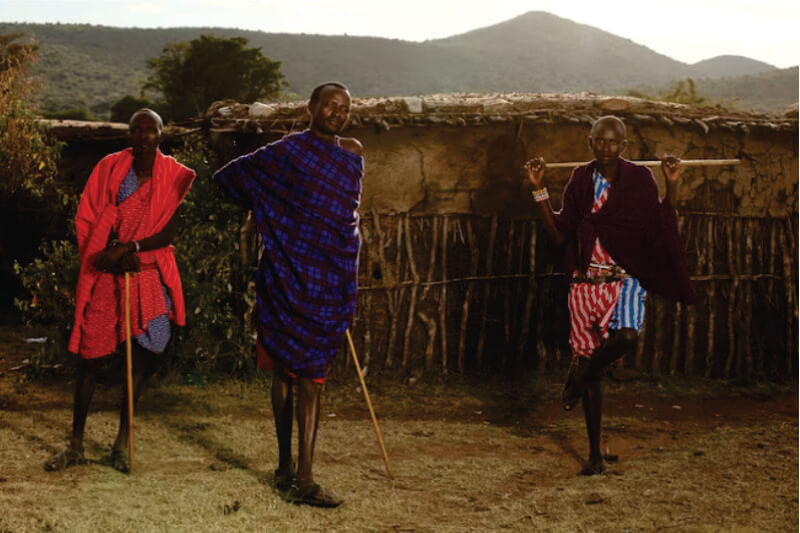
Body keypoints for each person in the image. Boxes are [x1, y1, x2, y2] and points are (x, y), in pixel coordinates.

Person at [213, 82, 363, 507]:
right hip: (285, 275)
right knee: (283, 372)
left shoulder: (350, 155)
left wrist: (331, 249)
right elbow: (230, 180)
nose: (337, 112)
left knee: (311, 381)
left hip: (326, 280)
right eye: (330, 105)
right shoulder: (284, 153)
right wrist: (269, 209)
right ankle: (290, 471)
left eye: (344, 108)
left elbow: (346, 217)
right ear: (310, 108)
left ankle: (300, 475)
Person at [524, 115, 694, 475]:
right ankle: (594, 456)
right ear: (590, 143)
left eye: (613, 141)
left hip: (625, 279)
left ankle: (580, 375)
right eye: (599, 141)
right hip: (586, 283)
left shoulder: (640, 180)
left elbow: (662, 222)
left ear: (624, 146)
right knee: (595, 378)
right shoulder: (581, 180)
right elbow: (560, 234)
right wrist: (539, 190)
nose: (605, 147)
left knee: (627, 336)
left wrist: (672, 184)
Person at [45, 109, 196, 473]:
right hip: (106, 272)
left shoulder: (172, 176)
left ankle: (121, 443)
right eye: (137, 130)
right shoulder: (110, 168)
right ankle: (76, 445)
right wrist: (110, 256)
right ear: (129, 134)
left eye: (151, 130)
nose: (144, 136)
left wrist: (133, 249)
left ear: (162, 134)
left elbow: (168, 233)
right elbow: (89, 218)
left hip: (146, 273)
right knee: (89, 359)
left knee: (143, 356)